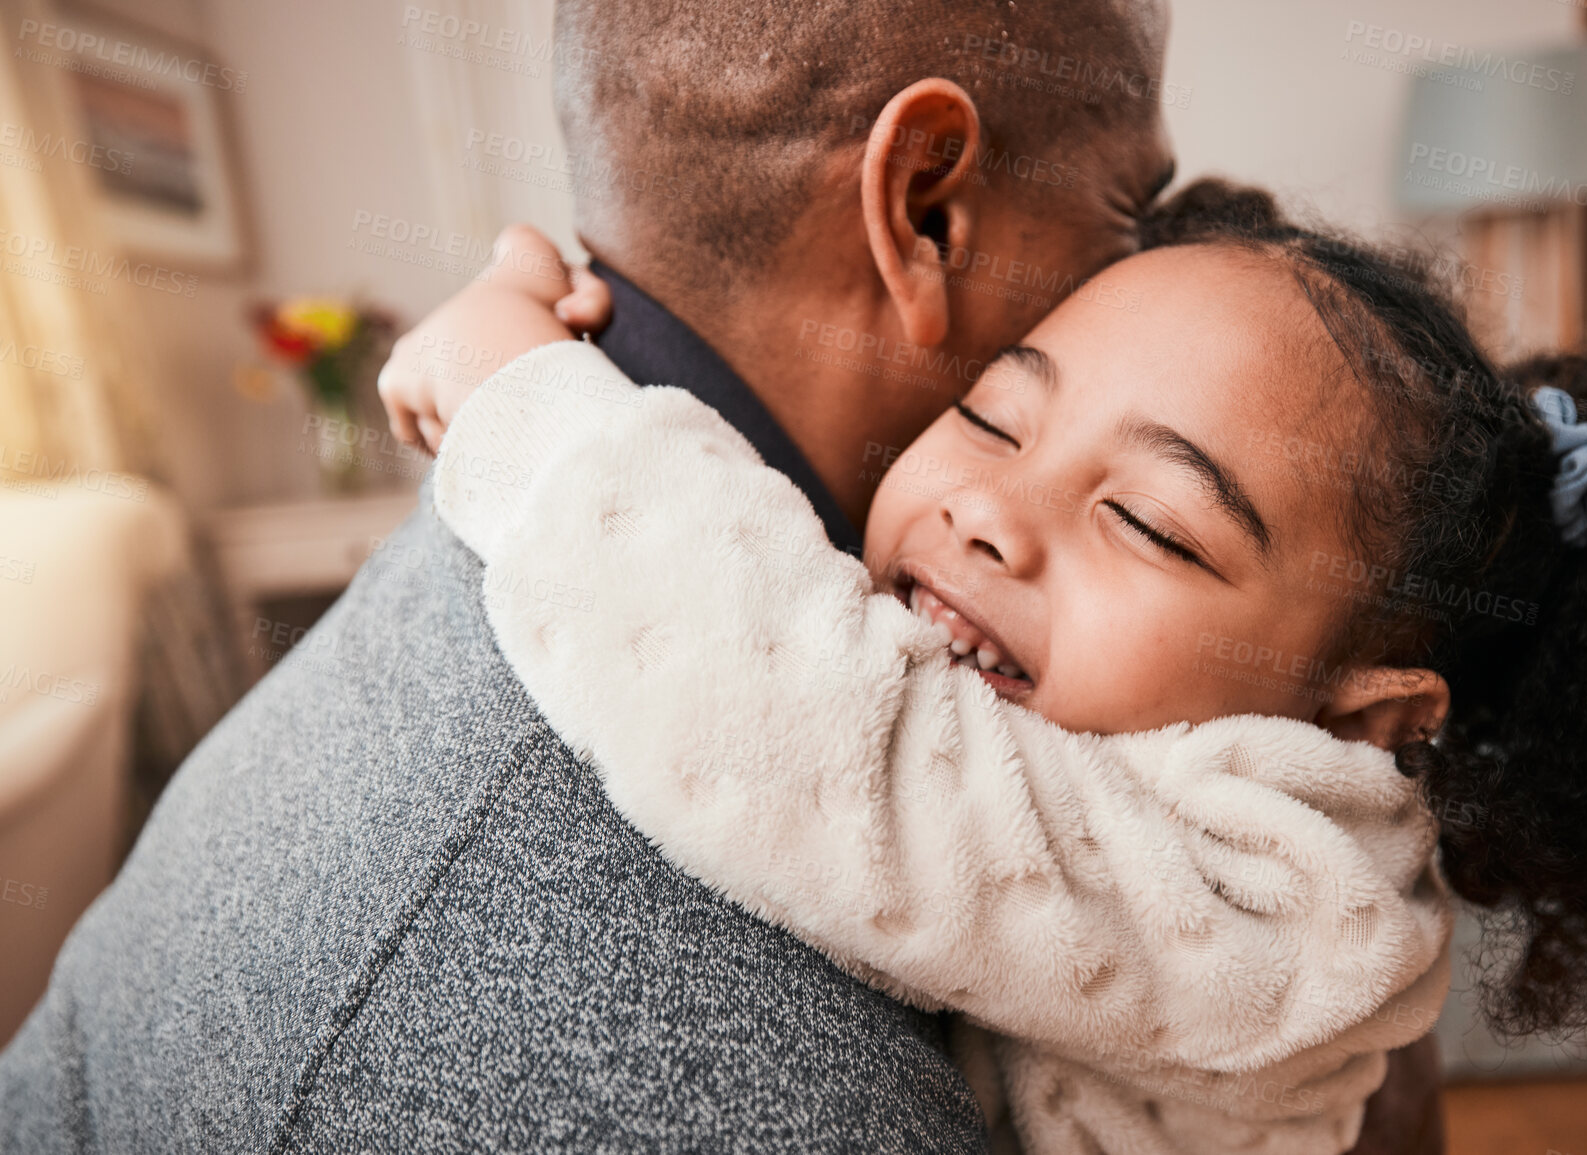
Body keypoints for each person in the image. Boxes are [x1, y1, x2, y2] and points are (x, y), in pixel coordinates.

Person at [0, 1, 1179, 1151]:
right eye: (1137, 210)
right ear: (925, 210)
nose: (1159, 283)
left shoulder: (510, 503)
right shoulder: (766, 1086)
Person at [405, 181, 1587, 1150]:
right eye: (990, 410)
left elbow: (809, 734)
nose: (991, 508)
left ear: (1359, 717)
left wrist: (524, 395)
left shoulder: (1286, 902)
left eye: (1148, 520)